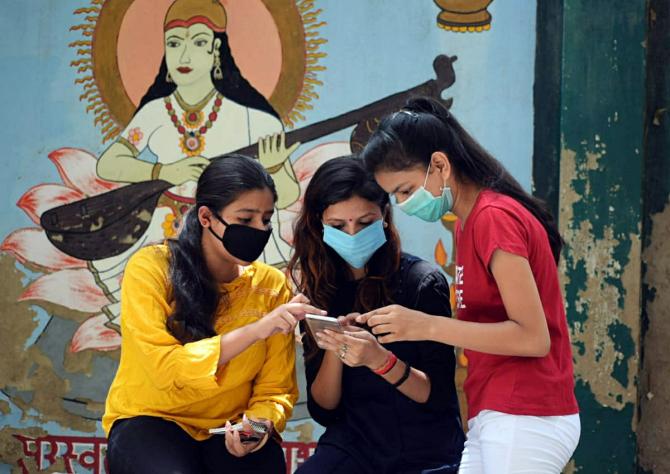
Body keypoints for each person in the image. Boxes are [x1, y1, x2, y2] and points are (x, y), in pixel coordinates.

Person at [358, 97, 580, 473]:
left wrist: (424, 325)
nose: (403, 203)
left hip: (524, 409)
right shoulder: (469, 221)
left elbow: (533, 337)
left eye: (406, 190)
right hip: (496, 409)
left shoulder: (493, 216)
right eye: (395, 196)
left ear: (440, 165)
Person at [85, 0, 300, 328]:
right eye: (174, 43)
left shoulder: (254, 121)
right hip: (169, 233)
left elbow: (286, 194)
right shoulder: (155, 113)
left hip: (232, 236)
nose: (184, 56)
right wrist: (163, 172)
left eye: (198, 42)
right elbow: (109, 164)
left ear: (216, 49)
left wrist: (272, 170)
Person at [103, 155, 324, 474]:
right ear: (206, 217)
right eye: (246, 219)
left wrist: (254, 431)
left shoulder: (270, 285)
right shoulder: (152, 268)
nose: (259, 230)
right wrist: (256, 330)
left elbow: (275, 390)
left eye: (266, 219)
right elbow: (164, 369)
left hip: (228, 429)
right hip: (151, 419)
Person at [287, 156, 464, 474]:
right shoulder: (320, 290)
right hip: (355, 446)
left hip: (425, 450)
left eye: (365, 222)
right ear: (319, 225)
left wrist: (378, 359)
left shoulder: (421, 283)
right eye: (339, 226)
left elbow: (435, 397)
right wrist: (337, 348)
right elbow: (323, 410)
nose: (352, 234)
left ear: (384, 214)